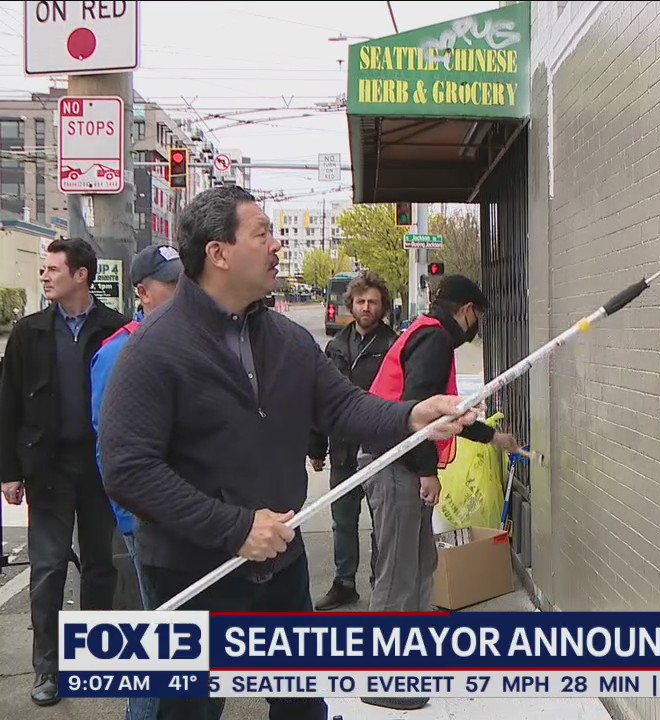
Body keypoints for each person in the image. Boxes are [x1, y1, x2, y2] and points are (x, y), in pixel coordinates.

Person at [98, 185, 480, 720]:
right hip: (193, 574)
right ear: (219, 253)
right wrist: (233, 528)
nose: (277, 245)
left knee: (302, 704)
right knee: (187, 712)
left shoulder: (286, 340)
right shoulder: (154, 350)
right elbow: (128, 471)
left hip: (281, 566)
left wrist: (412, 417)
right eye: (263, 233)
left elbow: (344, 407)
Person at [360, 274, 521, 711]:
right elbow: (418, 414)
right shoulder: (432, 341)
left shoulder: (427, 336)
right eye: (479, 318)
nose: (476, 327)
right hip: (396, 463)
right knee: (397, 572)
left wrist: (493, 439)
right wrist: (427, 471)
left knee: (420, 564)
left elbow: (445, 413)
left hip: (400, 462)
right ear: (467, 310)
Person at [0, 237, 129, 707]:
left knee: (99, 566)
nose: (45, 275)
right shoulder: (30, 331)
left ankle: (91, 659)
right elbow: (8, 403)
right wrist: (8, 472)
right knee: (49, 568)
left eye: (54, 268)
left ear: (82, 275)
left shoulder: (116, 329)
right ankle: (47, 669)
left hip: (99, 469)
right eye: (44, 268)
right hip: (47, 469)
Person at [87, 245, 182, 720]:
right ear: (143, 292)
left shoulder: (195, 341)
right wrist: (134, 518)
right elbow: (111, 446)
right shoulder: (119, 351)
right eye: (173, 284)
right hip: (149, 522)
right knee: (160, 641)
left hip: (197, 519)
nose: (186, 292)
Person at [307, 271, 398, 610]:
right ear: (351, 305)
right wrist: (315, 447)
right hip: (343, 451)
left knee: (382, 524)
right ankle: (345, 583)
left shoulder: (394, 346)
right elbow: (319, 399)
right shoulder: (336, 347)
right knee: (342, 522)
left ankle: (381, 581)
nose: (366, 307)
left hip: (381, 450)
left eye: (373, 302)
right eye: (360, 301)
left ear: (382, 307)